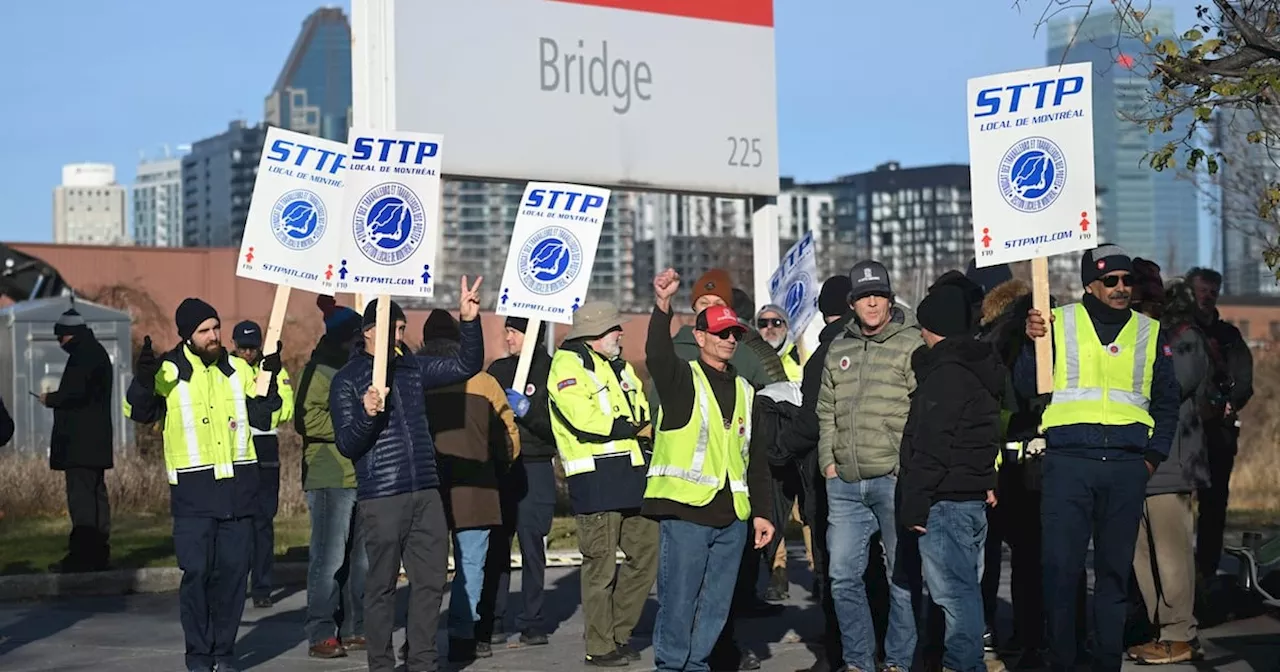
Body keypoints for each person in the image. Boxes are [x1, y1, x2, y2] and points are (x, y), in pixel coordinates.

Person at [1019, 245, 1180, 672]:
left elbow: (1167, 401)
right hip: (1069, 465)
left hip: (1127, 467)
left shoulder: (1148, 330)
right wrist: (1031, 341)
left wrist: (1152, 457)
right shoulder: (1059, 322)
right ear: (1090, 283)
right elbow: (1024, 386)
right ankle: (1062, 660)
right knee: (1061, 572)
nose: (1122, 288)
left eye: (1127, 280)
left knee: (1112, 576)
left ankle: (1107, 662)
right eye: (1111, 280)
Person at [329, 277, 485, 672]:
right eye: (394, 329)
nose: (401, 336)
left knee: (431, 582)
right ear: (369, 333)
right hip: (382, 496)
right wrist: (366, 414)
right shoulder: (346, 381)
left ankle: (422, 661)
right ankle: (381, 665)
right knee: (381, 587)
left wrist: (468, 321)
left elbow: (466, 365)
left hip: (426, 492)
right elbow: (348, 444)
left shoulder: (412, 368)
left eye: (402, 329)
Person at [123, 297, 286, 672]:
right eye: (204, 331)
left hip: (240, 491)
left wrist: (270, 378)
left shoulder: (237, 369)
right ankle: (198, 656)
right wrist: (144, 380)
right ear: (187, 336)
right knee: (196, 575)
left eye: (215, 328)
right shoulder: (168, 370)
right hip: (194, 496)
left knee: (231, 578)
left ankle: (223, 653)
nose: (213, 336)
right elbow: (137, 412)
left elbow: (265, 415)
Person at [644, 268, 775, 672]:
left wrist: (763, 512)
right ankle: (671, 666)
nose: (729, 340)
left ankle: (697, 665)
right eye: (720, 334)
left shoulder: (744, 390)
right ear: (699, 338)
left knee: (717, 607)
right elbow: (657, 356)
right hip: (686, 514)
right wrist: (662, 305)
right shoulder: (683, 379)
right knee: (679, 602)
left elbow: (755, 458)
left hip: (731, 519)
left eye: (734, 334)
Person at [818, 260, 921, 672]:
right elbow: (826, 409)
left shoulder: (912, 343)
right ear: (852, 304)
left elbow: (923, 410)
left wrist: (905, 468)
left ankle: (898, 661)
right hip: (844, 483)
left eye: (878, 294)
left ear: (890, 298)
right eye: (864, 297)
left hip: (892, 480)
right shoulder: (839, 346)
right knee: (842, 578)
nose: (872, 302)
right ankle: (859, 661)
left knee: (902, 579)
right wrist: (828, 461)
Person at [899, 279, 1006, 672]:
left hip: (945, 501)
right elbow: (981, 433)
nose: (920, 334)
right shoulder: (976, 368)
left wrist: (914, 504)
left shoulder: (947, 375)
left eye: (922, 326)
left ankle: (964, 665)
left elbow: (932, 444)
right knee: (965, 589)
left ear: (933, 327)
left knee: (954, 594)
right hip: (970, 495)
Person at [548, 301, 658, 667]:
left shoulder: (622, 367)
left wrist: (640, 428)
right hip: (595, 479)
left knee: (648, 554)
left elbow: (642, 410)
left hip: (631, 474)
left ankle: (617, 632)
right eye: (615, 328)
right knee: (601, 567)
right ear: (593, 335)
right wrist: (632, 426)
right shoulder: (566, 365)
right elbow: (584, 418)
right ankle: (600, 645)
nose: (621, 333)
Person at [419, 309, 520, 663]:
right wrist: (500, 465)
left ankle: (420, 639)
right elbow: (509, 437)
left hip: (425, 486)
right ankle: (464, 635)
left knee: (425, 568)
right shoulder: (483, 381)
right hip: (476, 486)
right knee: (471, 564)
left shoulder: (412, 377)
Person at [1127, 279, 1213, 665]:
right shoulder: (1137, 338)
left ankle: (1179, 632)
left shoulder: (1183, 338)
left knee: (1172, 555)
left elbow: (1173, 385)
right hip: (1135, 465)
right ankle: (1160, 630)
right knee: (1141, 557)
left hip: (1171, 466)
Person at [781, 275, 854, 672]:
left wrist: (779, 447)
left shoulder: (826, 352)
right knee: (873, 566)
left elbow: (811, 422)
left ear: (826, 312)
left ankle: (840, 654)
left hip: (828, 477)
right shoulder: (877, 345)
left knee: (835, 570)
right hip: (877, 472)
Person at [297, 296, 368, 658]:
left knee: (360, 558)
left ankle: (355, 626)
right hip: (328, 474)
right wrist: (351, 426)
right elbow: (306, 419)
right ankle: (321, 630)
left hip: (356, 473)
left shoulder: (354, 369)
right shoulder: (320, 370)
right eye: (359, 335)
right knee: (329, 558)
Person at [484, 316, 557, 646]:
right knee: (498, 544)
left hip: (537, 466)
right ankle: (494, 618)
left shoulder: (553, 371)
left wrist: (529, 412)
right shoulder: (498, 370)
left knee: (532, 546)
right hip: (503, 467)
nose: (507, 337)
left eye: (513, 332)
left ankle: (532, 619)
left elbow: (557, 429)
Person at [1185, 267, 1253, 589]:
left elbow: (1244, 379)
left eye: (1213, 291)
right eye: (1202, 290)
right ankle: (1180, 574)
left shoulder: (1229, 337)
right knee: (1178, 502)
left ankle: (1207, 572)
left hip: (1218, 431)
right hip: (1185, 430)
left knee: (1213, 505)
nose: (1207, 296)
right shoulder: (1178, 332)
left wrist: (1232, 401)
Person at [43, 306, 115, 573]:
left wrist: (50, 399)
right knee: (96, 497)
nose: (60, 343)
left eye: (60, 338)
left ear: (69, 335)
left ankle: (83, 555)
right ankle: (98, 554)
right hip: (96, 443)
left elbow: (73, 393)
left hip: (80, 444)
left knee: (82, 500)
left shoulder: (82, 356)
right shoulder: (97, 353)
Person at [229, 320, 295, 608]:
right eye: (242, 348)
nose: (246, 353)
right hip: (237, 446)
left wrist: (265, 389)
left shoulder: (275, 369)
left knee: (263, 522)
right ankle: (233, 584)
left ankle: (262, 588)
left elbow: (285, 410)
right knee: (236, 522)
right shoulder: (226, 369)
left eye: (251, 348)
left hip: (266, 445)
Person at [754, 304, 813, 603]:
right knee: (773, 509)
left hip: (801, 445)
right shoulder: (753, 360)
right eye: (763, 323)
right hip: (769, 445)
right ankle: (777, 573)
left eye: (777, 322)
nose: (770, 328)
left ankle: (817, 571)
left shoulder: (801, 357)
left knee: (807, 512)